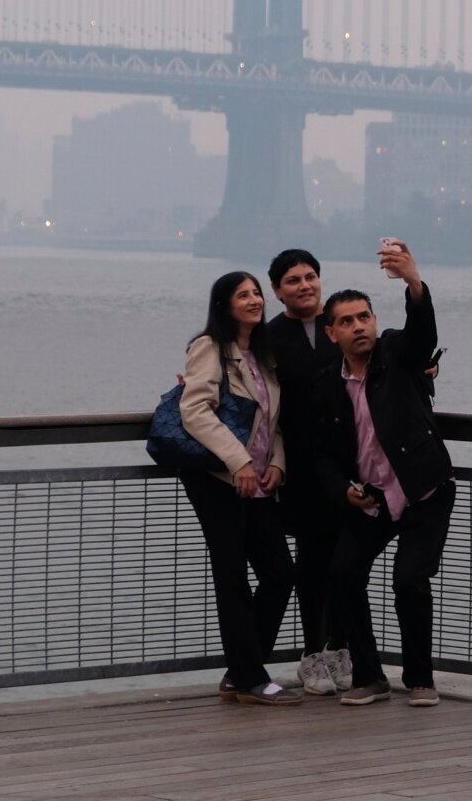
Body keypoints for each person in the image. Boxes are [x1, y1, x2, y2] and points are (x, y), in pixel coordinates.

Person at [305, 241, 451, 707]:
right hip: (372, 501)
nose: (358, 327)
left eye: (363, 317)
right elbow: (322, 455)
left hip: (423, 492)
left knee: (409, 580)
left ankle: (421, 678)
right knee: (343, 575)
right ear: (332, 334)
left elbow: (421, 336)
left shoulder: (395, 354)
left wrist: (413, 282)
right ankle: (370, 677)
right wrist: (343, 491)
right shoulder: (327, 385)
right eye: (346, 322)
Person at [178, 270, 299, 706]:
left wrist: (278, 464)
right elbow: (195, 411)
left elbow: (271, 420)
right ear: (224, 305)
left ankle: (243, 668)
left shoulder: (263, 355)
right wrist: (240, 460)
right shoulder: (210, 347)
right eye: (242, 294)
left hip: (260, 480)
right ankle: (250, 676)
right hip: (219, 480)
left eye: (256, 293)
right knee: (232, 576)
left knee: (280, 573)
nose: (253, 300)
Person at [259, 247, 351, 697]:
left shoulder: (341, 323)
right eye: (292, 280)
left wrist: (424, 370)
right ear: (277, 291)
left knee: (348, 564)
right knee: (313, 565)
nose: (305, 285)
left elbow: (379, 365)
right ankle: (312, 654)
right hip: (299, 469)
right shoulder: (269, 338)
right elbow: (245, 387)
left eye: (311, 276)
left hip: (350, 464)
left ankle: (342, 649)